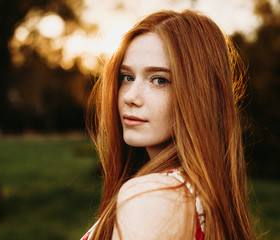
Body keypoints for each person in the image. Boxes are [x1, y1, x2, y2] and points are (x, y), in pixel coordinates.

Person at [81, 9, 256, 240]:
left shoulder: (152, 196)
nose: (130, 97)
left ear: (199, 95)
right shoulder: (200, 194)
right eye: (127, 77)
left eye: (159, 80)